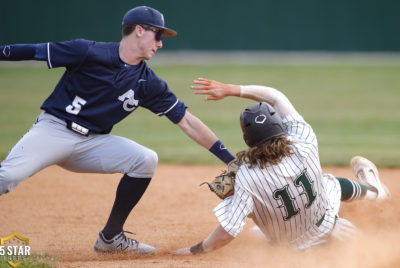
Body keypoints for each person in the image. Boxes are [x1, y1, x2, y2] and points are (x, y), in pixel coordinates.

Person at [0, 7, 236, 255]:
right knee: (6, 178)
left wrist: (230, 160)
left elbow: (188, 122)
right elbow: (32, 51)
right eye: (158, 36)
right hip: (54, 130)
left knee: (145, 159)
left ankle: (111, 238)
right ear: (139, 30)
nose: (160, 44)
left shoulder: (148, 82)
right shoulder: (87, 51)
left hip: (93, 143)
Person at [173, 77, 390, 255]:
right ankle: (376, 192)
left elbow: (228, 231)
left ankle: (375, 192)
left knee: (255, 227)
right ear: (279, 126)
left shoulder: (247, 177)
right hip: (336, 231)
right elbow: (276, 97)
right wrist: (232, 89)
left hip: (291, 252)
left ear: (248, 140)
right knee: (328, 182)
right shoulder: (304, 140)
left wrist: (196, 250)